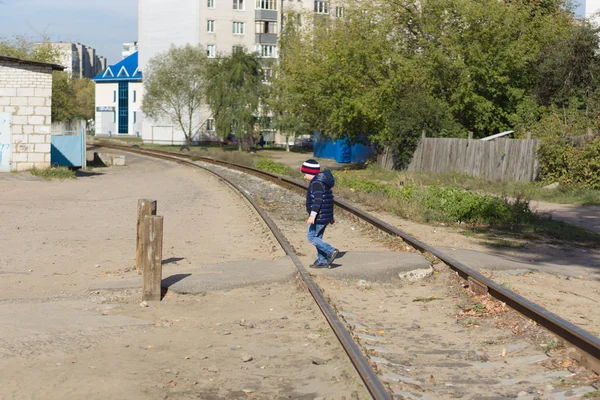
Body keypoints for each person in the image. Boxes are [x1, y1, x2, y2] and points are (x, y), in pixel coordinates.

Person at [302, 159, 339, 268]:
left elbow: (317, 201)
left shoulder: (317, 183)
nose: (304, 176)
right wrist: (331, 217)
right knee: (318, 237)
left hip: (319, 217)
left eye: (305, 174)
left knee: (311, 237)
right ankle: (322, 260)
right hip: (324, 216)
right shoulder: (323, 182)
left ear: (311, 173)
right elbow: (329, 200)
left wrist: (312, 216)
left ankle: (331, 251)